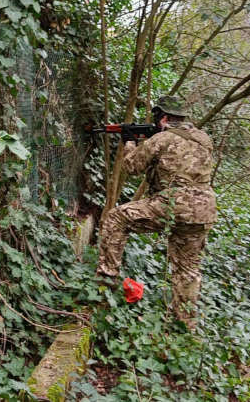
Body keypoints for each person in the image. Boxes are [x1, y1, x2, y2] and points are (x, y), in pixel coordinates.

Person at [96, 96, 218, 330]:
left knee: (116, 218)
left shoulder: (161, 138)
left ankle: (105, 281)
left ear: (162, 117)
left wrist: (130, 142)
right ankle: (185, 325)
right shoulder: (204, 139)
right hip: (203, 210)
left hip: (174, 204)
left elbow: (131, 167)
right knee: (188, 269)